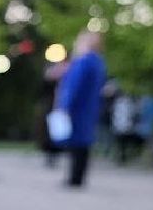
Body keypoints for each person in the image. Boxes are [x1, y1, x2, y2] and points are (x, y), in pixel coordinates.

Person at [53, 30, 107, 188]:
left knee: (77, 143)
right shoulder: (98, 63)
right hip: (90, 108)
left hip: (78, 108)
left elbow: (73, 87)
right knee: (84, 142)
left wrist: (64, 106)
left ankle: (74, 178)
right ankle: (78, 177)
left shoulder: (83, 62)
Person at [111, 88, 142, 164]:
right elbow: (133, 114)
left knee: (120, 144)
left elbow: (114, 115)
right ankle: (122, 158)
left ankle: (121, 158)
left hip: (119, 126)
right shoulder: (129, 103)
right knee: (123, 144)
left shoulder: (117, 103)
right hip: (125, 126)